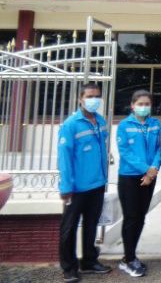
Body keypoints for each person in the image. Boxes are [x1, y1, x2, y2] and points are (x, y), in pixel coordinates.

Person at [58, 82, 112, 283]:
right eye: (89, 96)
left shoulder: (100, 121)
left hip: (97, 184)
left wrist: (103, 179)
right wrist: (66, 186)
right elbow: (64, 158)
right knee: (69, 228)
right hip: (76, 188)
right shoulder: (71, 124)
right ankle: (69, 268)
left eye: (97, 96)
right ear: (80, 99)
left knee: (91, 225)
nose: (93, 100)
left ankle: (89, 261)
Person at [116, 90, 161, 277]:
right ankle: (128, 259)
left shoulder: (155, 124)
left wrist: (153, 169)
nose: (144, 107)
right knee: (131, 217)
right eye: (140, 104)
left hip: (150, 177)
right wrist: (146, 169)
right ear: (132, 105)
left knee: (141, 217)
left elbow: (160, 148)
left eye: (147, 104)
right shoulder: (124, 125)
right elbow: (125, 152)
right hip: (130, 177)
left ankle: (131, 255)